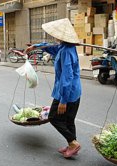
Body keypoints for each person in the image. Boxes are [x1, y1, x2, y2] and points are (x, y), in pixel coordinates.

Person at [25, 18, 82, 158]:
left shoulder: (66, 51)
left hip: (67, 92)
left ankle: (73, 143)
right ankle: (71, 145)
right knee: (69, 120)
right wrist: (36, 46)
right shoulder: (64, 47)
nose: (54, 36)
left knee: (54, 118)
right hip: (75, 91)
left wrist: (63, 100)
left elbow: (67, 77)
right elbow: (51, 47)